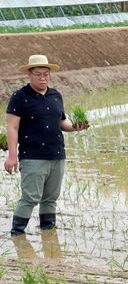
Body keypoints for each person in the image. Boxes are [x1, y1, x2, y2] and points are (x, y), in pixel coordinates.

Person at [5, 55, 89, 236]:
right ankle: (17, 233)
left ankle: (48, 232)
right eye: (38, 74)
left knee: (50, 198)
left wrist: (75, 128)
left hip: (56, 154)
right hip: (33, 155)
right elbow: (12, 128)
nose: (43, 78)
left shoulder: (55, 95)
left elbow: (62, 123)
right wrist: (12, 156)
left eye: (46, 74)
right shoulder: (20, 97)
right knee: (30, 197)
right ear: (29, 74)